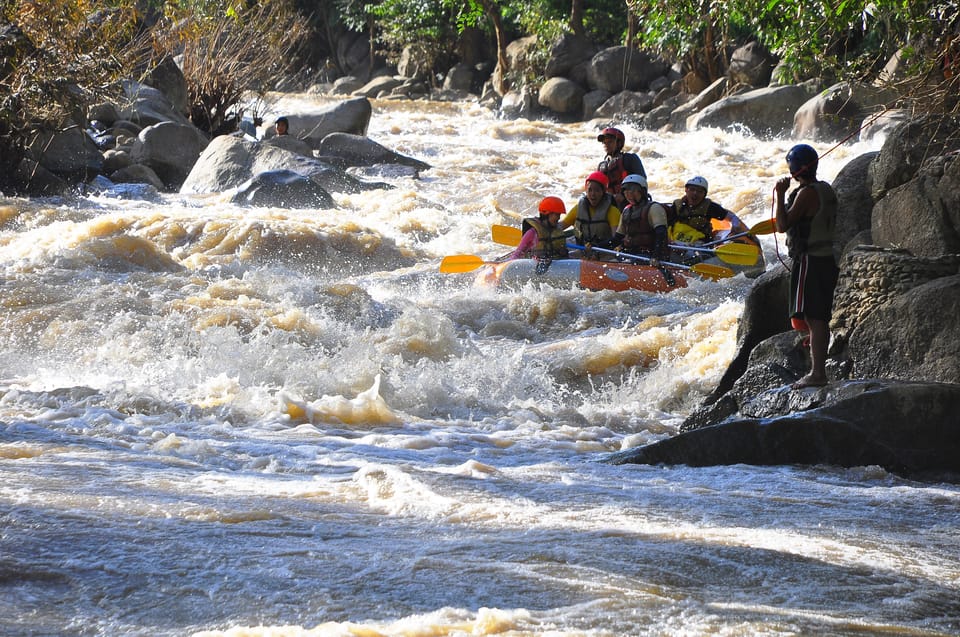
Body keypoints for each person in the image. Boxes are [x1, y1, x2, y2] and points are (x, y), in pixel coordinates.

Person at [774, 143, 839, 390]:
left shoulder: (806, 194)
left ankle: (817, 373)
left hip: (810, 261)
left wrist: (780, 195)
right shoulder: (826, 189)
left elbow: (782, 225)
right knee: (817, 317)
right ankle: (818, 368)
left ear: (794, 168)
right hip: (826, 258)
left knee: (815, 318)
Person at [670, 176, 754, 246]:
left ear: (704, 194)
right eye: (692, 189)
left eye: (699, 191)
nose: (695, 193)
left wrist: (735, 227)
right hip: (676, 240)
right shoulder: (677, 205)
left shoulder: (710, 207)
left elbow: (731, 217)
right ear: (686, 190)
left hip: (700, 243)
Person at [608, 174, 669, 267]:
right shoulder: (626, 211)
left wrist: (656, 256)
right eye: (626, 191)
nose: (629, 195)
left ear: (642, 192)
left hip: (649, 255)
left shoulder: (654, 208)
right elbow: (617, 238)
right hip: (631, 253)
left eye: (633, 191)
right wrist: (597, 245)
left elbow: (661, 234)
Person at [561, 171, 621, 249]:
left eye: (597, 190)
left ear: (603, 192)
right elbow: (561, 226)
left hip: (604, 252)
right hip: (583, 250)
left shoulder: (613, 212)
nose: (593, 194)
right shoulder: (578, 208)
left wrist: (600, 247)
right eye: (590, 190)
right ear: (586, 191)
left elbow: (616, 239)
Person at [596, 127, 646, 209]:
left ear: (619, 144)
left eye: (610, 142)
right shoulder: (602, 165)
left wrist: (624, 195)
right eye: (604, 143)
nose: (606, 145)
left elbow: (641, 180)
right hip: (609, 203)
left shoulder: (630, 159)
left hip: (629, 201)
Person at [510, 196, 570, 260]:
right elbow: (517, 254)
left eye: (559, 215)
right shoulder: (532, 233)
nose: (558, 218)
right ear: (547, 214)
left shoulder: (557, 229)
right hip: (537, 267)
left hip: (559, 265)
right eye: (557, 215)